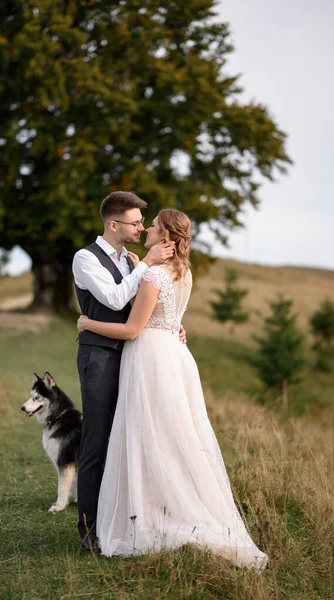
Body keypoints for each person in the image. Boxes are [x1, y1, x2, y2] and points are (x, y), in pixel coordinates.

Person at [77, 209, 268, 570]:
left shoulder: (152, 274)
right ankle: (160, 506)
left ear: (164, 235)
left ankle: (151, 517)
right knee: (172, 437)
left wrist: (89, 323)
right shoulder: (183, 271)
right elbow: (170, 318)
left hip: (149, 358)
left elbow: (133, 329)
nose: (145, 227)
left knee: (148, 436)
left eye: (152, 225)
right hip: (174, 356)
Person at [72, 191, 179, 552]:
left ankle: (121, 520)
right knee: (97, 441)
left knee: (128, 441)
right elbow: (116, 299)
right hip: (100, 359)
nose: (140, 227)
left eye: (141, 222)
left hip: (134, 359)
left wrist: (171, 325)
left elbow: (142, 305)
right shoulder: (85, 258)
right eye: (134, 222)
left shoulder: (130, 261)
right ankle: (89, 531)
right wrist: (147, 263)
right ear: (113, 224)